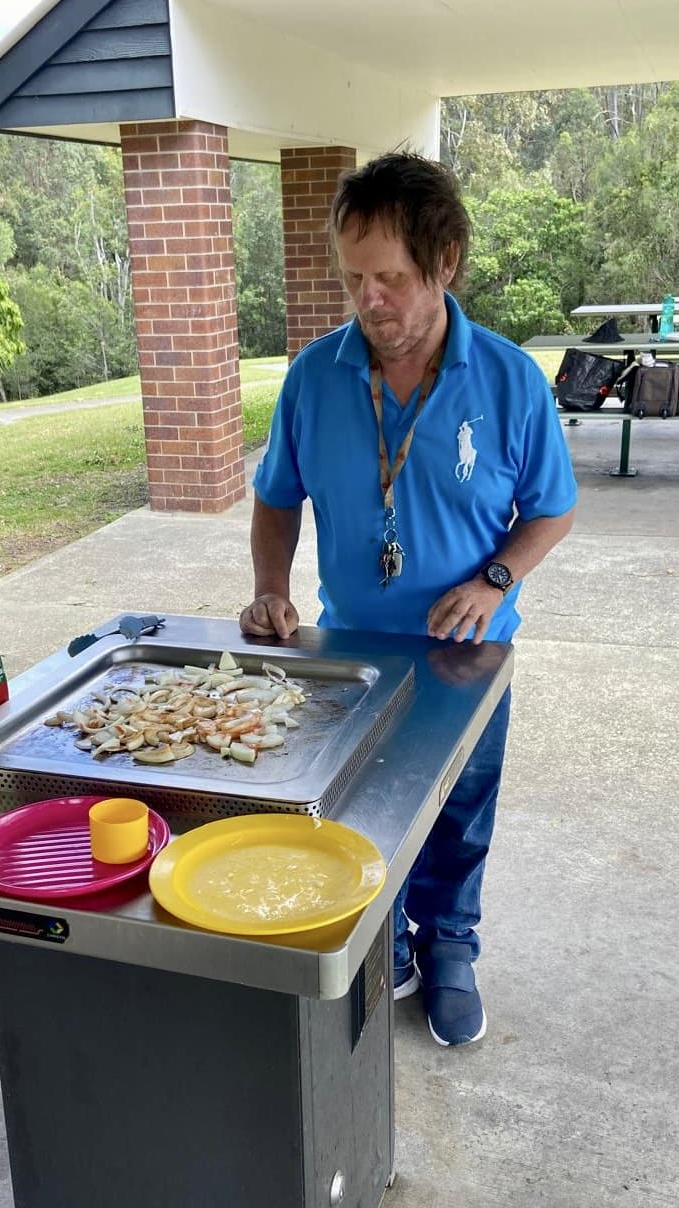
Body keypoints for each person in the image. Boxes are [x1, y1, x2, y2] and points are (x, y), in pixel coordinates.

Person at [240, 152, 576, 1047]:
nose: (370, 300)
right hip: (348, 654)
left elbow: (552, 510)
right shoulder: (315, 376)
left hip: (467, 657)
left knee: (460, 813)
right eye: (354, 278)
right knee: (355, 814)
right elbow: (277, 495)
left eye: (390, 278)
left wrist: (493, 579)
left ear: (446, 262)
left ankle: (451, 947)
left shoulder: (508, 382)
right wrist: (271, 589)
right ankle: (379, 938)